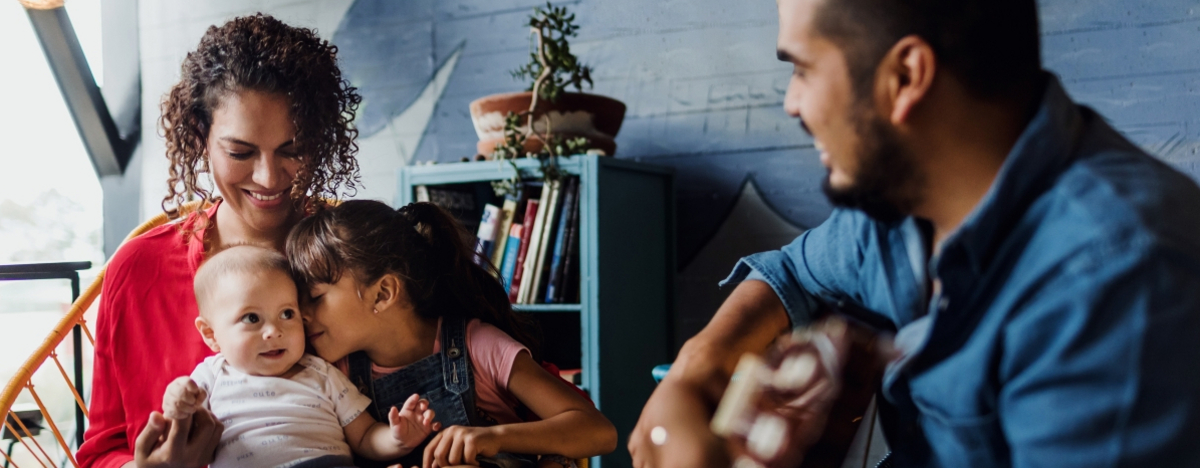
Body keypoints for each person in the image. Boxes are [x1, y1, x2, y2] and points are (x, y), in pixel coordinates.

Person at [628, 0, 1200, 467]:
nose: (791, 103)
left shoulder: (1119, 275)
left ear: (906, 77)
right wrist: (697, 368)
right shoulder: (900, 204)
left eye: (802, 69)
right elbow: (794, 272)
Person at [77, 14, 362, 468]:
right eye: (240, 152)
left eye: (293, 149)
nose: (269, 178)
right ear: (199, 137)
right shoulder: (139, 270)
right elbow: (101, 451)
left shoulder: (358, 253)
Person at [286, 200, 618, 468]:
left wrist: (493, 438)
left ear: (383, 293)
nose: (302, 313)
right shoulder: (336, 373)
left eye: (315, 297)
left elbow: (598, 432)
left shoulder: (478, 346)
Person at [160, 245, 437, 467]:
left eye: (287, 314)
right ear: (210, 334)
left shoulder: (321, 372)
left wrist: (397, 439)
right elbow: (182, 424)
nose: (274, 331)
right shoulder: (212, 376)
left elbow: (364, 436)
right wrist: (177, 400)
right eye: (252, 318)